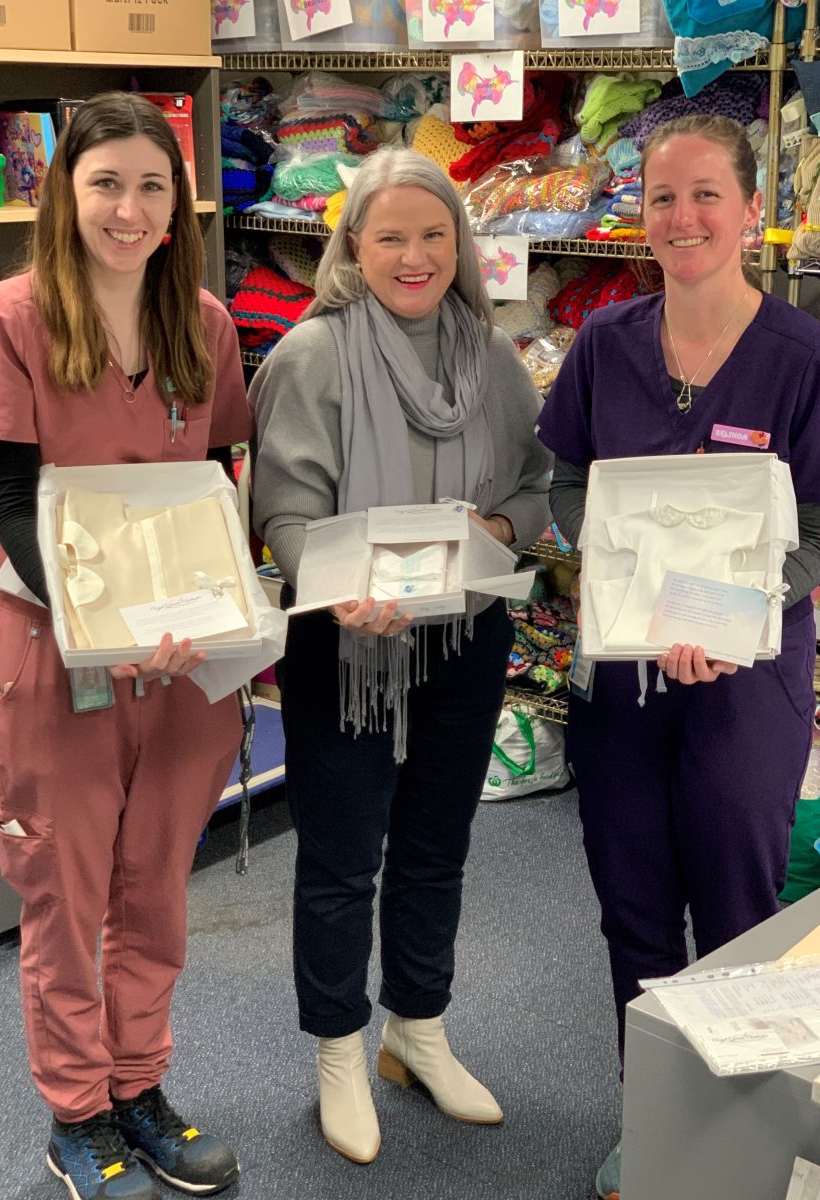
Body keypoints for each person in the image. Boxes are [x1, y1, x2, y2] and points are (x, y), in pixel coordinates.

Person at [537, 113, 820, 1200]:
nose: (682, 217)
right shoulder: (604, 345)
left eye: (706, 194)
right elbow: (561, 485)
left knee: (736, 901)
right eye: (663, 197)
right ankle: (654, 1118)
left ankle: (736, 1138)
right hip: (621, 675)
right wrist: (624, 587)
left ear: (752, 209)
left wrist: (726, 614)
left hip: (745, 679)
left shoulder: (810, 360)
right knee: (631, 901)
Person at [0, 92, 251, 1200]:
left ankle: (140, 1088)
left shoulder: (206, 324)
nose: (128, 210)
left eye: (150, 186)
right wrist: (107, 627)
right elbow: (13, 499)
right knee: (67, 899)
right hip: (59, 659)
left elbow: (217, 483)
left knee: (156, 891)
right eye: (105, 184)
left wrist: (214, 613)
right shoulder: (9, 317)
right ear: (63, 194)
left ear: (178, 201)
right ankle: (76, 1114)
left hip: (181, 665)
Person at [250, 146, 551, 1164]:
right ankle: (339, 1047)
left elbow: (531, 490)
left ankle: (415, 1030)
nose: (416, 255)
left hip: (464, 635)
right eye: (392, 236)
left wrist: (500, 533)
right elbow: (283, 510)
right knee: (341, 858)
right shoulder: (313, 355)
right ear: (355, 246)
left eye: (435, 235)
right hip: (345, 646)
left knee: (437, 846)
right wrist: (338, 589)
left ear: (459, 244)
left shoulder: (492, 353)